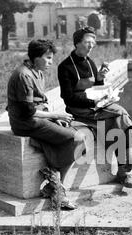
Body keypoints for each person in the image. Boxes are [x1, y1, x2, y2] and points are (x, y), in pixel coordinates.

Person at [57, 27, 132, 188]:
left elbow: (95, 89)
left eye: (93, 43)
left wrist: (100, 79)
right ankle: (128, 164)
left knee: (119, 119)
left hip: (96, 106)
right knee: (120, 113)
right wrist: (94, 102)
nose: (90, 46)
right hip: (79, 109)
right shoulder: (65, 67)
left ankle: (125, 169)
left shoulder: (90, 63)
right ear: (77, 43)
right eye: (87, 42)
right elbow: (68, 97)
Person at [7, 39, 83, 210]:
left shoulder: (37, 72)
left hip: (38, 119)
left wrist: (54, 118)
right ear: (36, 57)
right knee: (77, 139)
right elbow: (28, 110)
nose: (51, 62)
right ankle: (57, 186)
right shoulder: (23, 75)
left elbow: (41, 102)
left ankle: (54, 185)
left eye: (51, 58)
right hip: (25, 123)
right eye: (48, 58)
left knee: (76, 132)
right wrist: (55, 114)